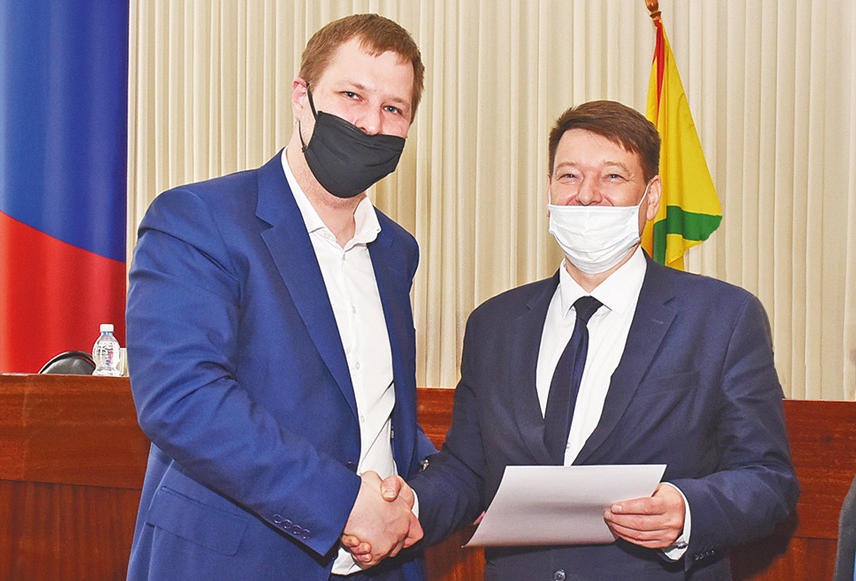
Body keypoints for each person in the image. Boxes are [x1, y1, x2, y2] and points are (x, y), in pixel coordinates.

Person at [350, 100, 800, 578]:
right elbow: (467, 470)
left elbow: (768, 479)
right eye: (569, 176)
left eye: (612, 176)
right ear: (549, 190)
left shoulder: (723, 318)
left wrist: (689, 510)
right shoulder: (493, 324)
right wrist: (411, 507)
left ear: (651, 198)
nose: (586, 195)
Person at [125, 14, 435, 580]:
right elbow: (183, 398)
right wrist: (344, 502)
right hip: (234, 563)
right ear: (301, 97)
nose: (371, 123)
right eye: (351, 96)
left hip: (381, 564)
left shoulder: (396, 251)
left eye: (394, 108)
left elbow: (372, 406)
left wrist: (434, 489)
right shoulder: (199, 218)